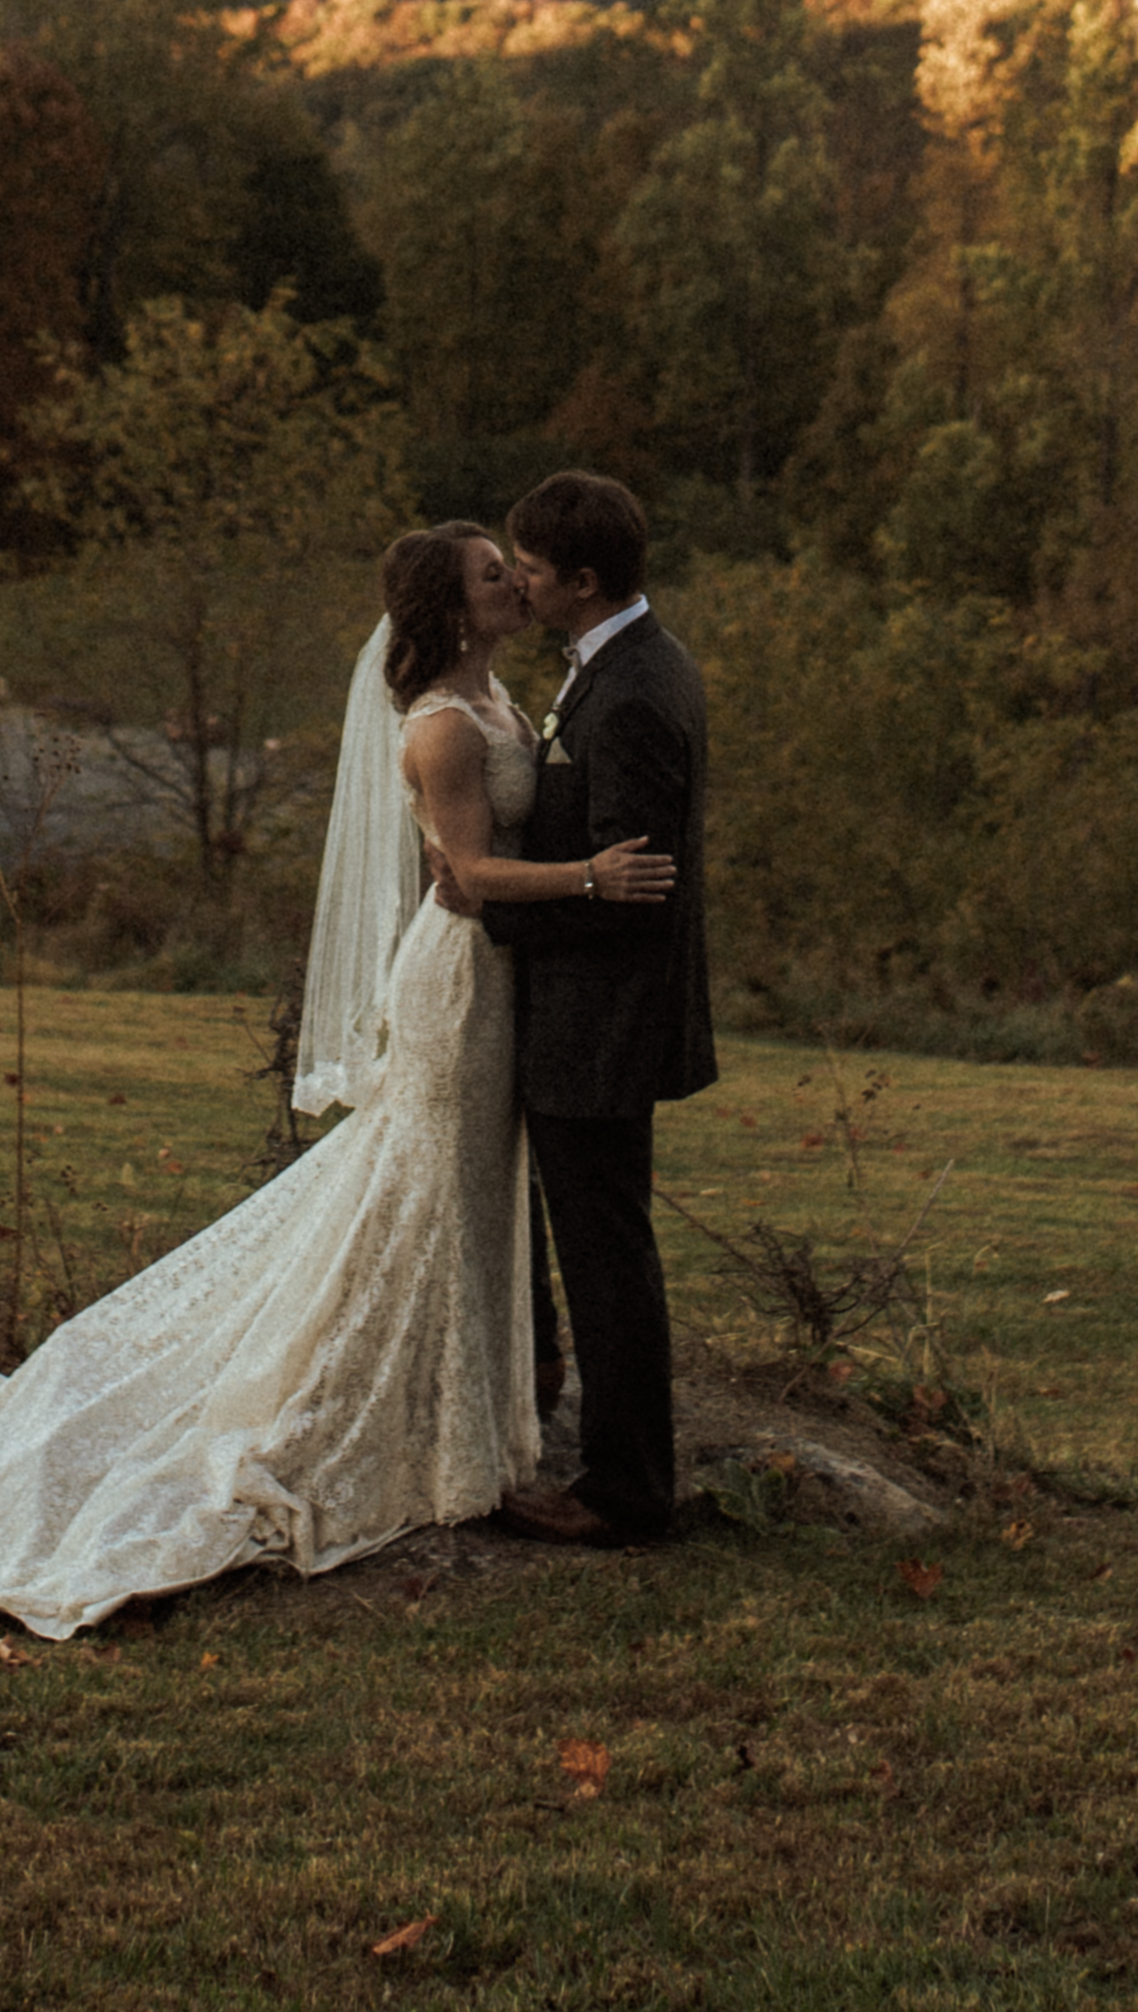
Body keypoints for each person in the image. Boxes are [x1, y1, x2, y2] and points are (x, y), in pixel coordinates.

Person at [0, 523, 679, 1636]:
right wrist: (591, 879)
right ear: (450, 608)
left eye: (511, 565)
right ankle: (386, 1415)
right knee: (424, 1188)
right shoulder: (441, 728)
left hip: (500, 976)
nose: (513, 580)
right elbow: (466, 868)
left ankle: (465, 1419)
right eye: (489, 572)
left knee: (464, 1195)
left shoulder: (504, 701)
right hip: (459, 985)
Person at [476, 468, 713, 1546]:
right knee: (603, 1241)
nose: (518, 583)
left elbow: (633, 888)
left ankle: (624, 1489)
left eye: (530, 567)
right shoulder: (614, 668)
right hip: (589, 1010)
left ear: (582, 578)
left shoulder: (632, 694)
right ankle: (618, 1463)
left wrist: (502, 906)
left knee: (607, 1250)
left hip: (603, 1018)